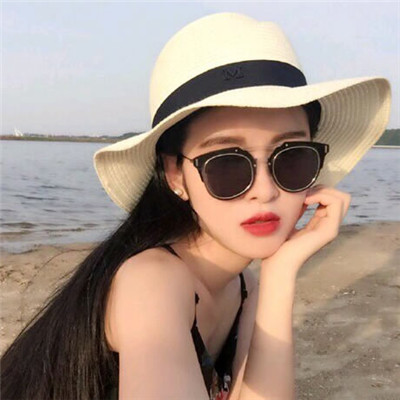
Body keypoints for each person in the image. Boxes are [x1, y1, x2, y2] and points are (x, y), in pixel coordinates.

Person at [1, 12, 391, 400]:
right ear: (175, 175)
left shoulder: (245, 286)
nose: (265, 191)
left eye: (291, 158)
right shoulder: (152, 281)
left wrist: (281, 272)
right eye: (227, 164)